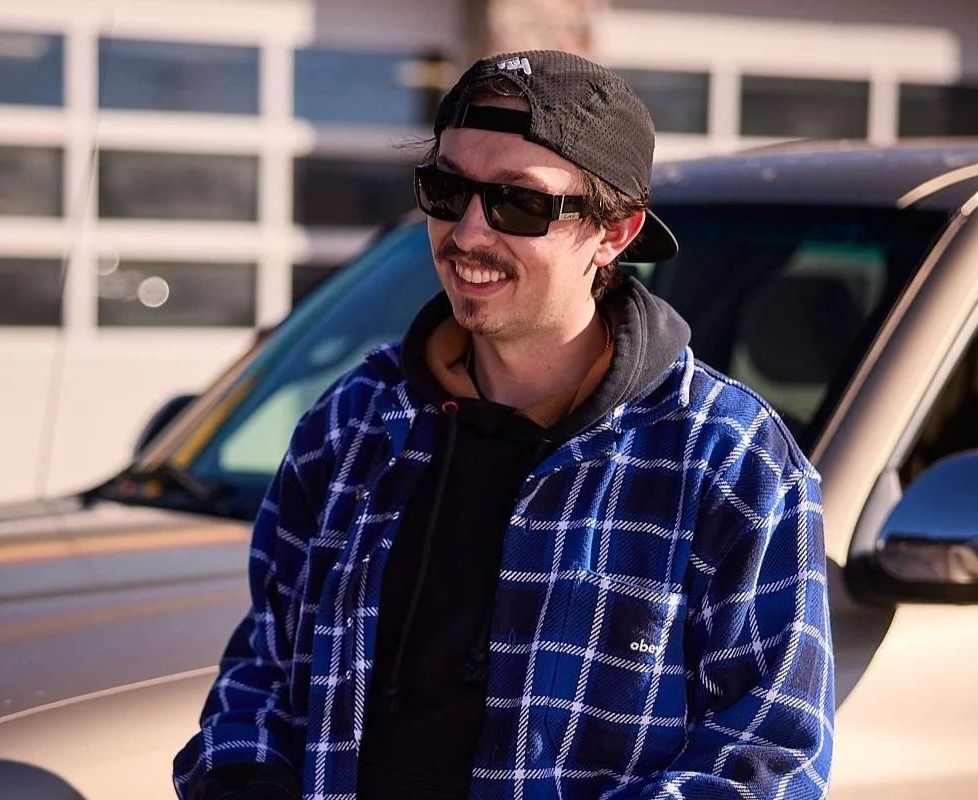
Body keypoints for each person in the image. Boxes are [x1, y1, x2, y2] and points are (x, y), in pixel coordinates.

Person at [174, 50, 834, 800]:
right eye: (446, 188)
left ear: (614, 234)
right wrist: (243, 778)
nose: (467, 233)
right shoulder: (354, 422)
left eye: (518, 202)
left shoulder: (728, 460)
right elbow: (262, 668)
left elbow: (765, 759)